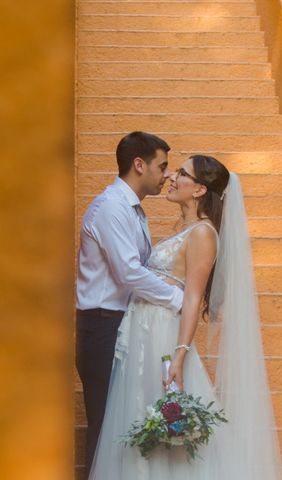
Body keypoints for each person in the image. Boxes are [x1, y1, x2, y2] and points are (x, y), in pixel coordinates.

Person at [89, 155, 282, 479]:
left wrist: (180, 355)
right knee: (142, 421)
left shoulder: (204, 234)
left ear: (199, 190)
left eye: (182, 173)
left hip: (163, 338)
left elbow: (192, 296)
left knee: (166, 429)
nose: (172, 178)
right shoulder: (188, 229)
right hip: (143, 334)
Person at [76, 131, 185, 477]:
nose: (168, 175)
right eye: (162, 166)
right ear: (139, 165)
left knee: (123, 423)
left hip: (121, 325)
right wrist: (177, 298)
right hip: (102, 326)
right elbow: (129, 273)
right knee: (105, 424)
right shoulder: (111, 208)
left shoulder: (135, 211)